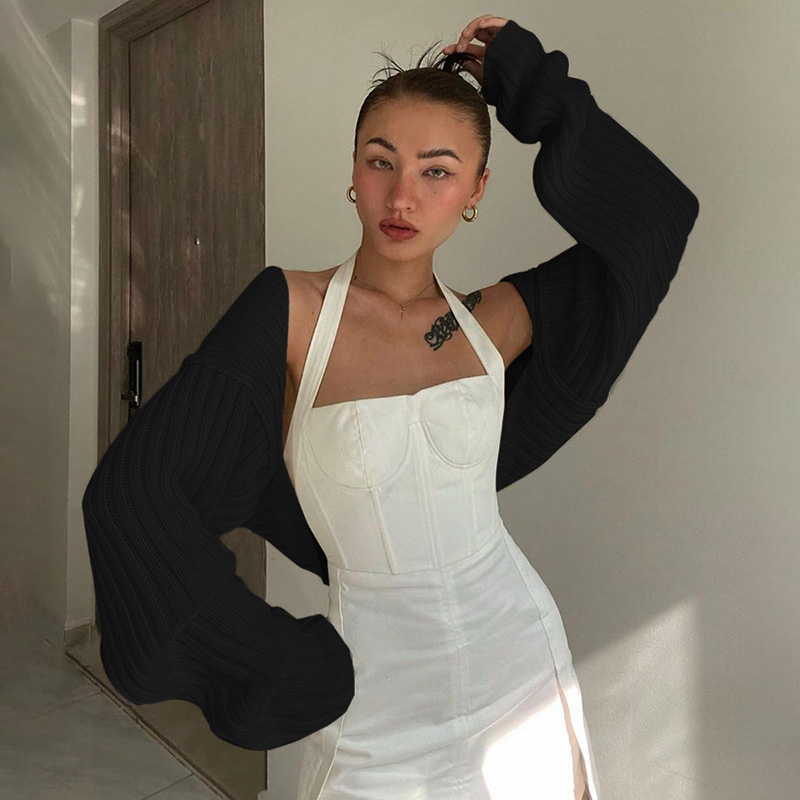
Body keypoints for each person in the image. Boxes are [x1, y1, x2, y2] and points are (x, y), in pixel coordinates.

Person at [82, 14, 699, 800]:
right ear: (354, 170)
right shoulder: (290, 313)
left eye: (438, 171)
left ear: (477, 190)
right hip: (374, 691)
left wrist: (535, 87)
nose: (402, 195)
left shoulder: (491, 322)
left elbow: (659, 219)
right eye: (382, 162)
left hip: (517, 654)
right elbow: (133, 494)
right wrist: (264, 663)